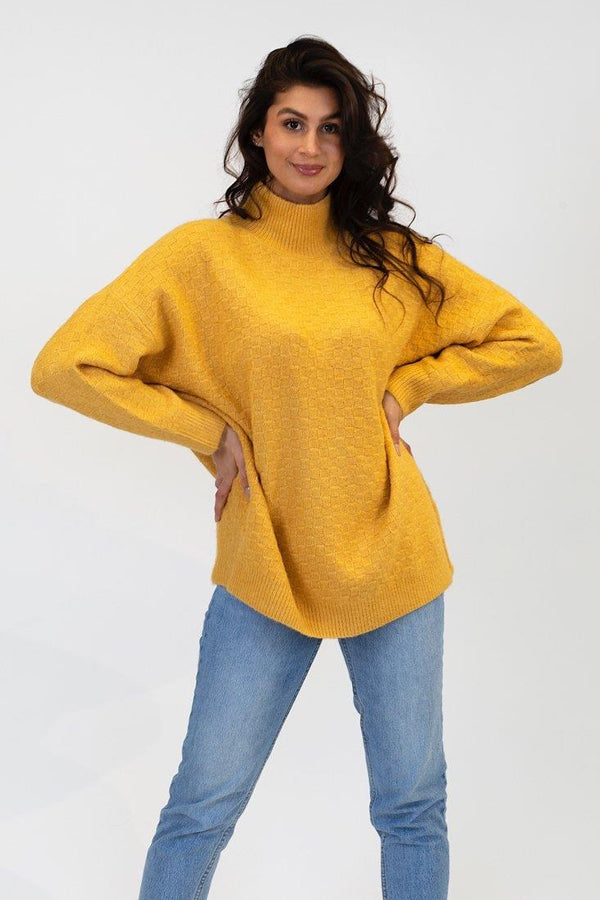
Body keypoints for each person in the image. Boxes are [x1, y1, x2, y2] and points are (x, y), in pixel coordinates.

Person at [30, 36, 563, 900]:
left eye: (330, 128)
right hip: (265, 563)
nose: (309, 146)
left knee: (413, 805)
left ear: (351, 143)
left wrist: (410, 385)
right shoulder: (202, 258)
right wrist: (206, 430)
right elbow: (65, 366)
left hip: (392, 558)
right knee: (202, 806)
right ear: (258, 132)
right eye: (291, 123)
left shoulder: (390, 257)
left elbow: (532, 343)